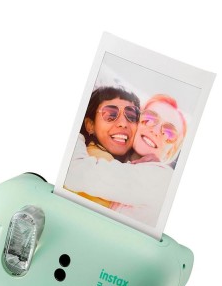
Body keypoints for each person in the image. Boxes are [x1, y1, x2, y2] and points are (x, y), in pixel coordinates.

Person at [65, 92, 187, 227]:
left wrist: (79, 130)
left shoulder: (161, 178)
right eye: (149, 118)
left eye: (169, 133)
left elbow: (72, 171)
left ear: (170, 152)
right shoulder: (114, 160)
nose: (156, 131)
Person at [80, 86, 141, 161]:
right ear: (90, 125)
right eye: (111, 115)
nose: (123, 123)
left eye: (131, 116)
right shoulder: (100, 160)